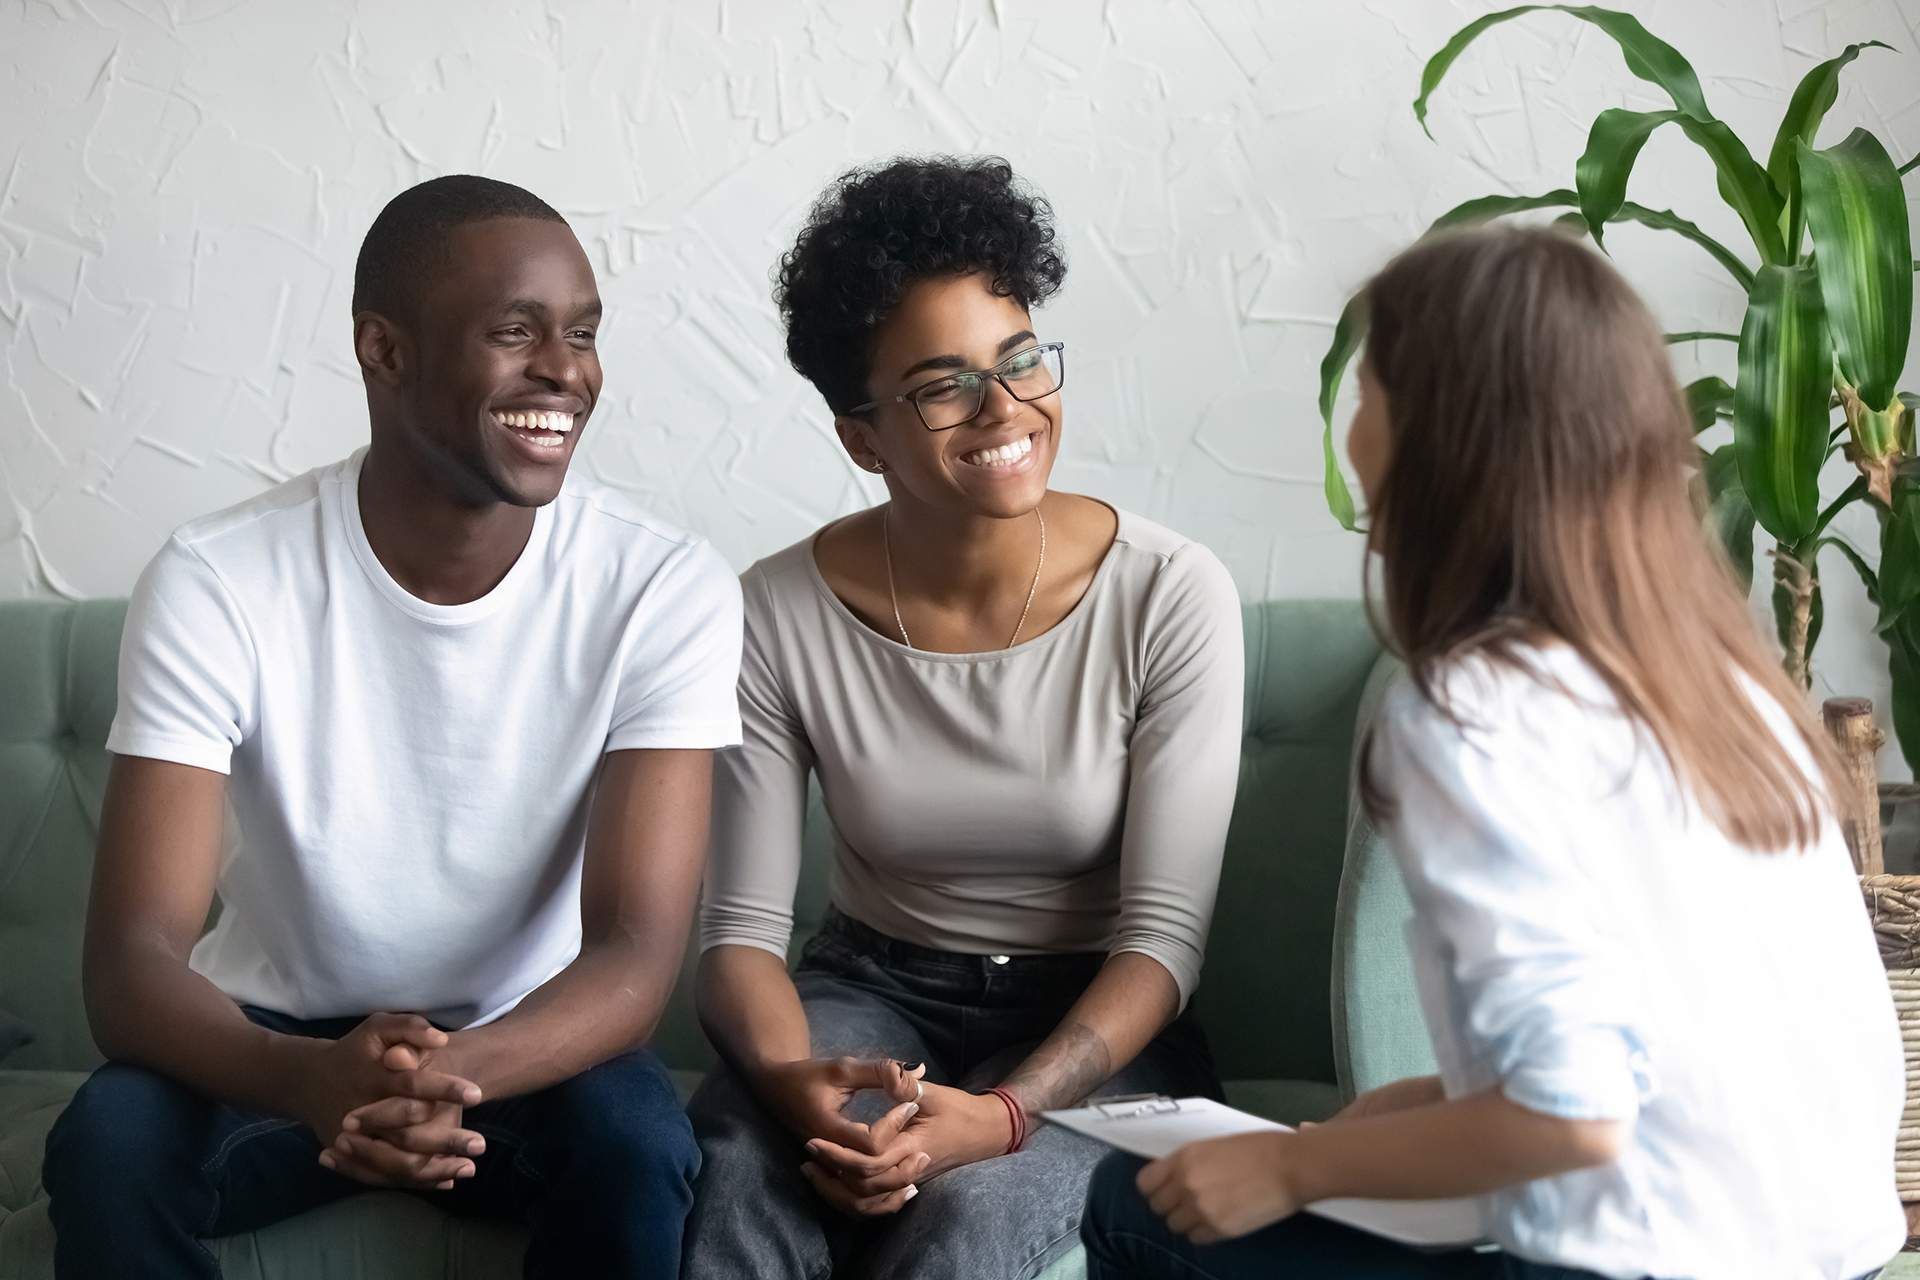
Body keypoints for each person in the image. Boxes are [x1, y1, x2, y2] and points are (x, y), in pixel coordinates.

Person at [1079, 225, 1907, 1279]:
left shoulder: (1479, 709)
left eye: (1368, 388)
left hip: (1644, 1264)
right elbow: (1665, 1055)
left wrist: (1297, 1168)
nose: (1351, 424)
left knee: (1131, 1202)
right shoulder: (1722, 681)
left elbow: (1572, 1113)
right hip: (1839, 1259)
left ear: (1441, 431)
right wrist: (1408, 1112)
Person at [41, 175, 744, 1279]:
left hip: (535, 1039)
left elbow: (633, 952)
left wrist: (437, 1075)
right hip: (269, 1035)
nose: (566, 368)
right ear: (385, 349)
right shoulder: (219, 577)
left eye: (585, 332)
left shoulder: (663, 584)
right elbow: (131, 959)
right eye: (515, 330)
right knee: (105, 1149)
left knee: (638, 1151)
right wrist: (305, 1077)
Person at [680, 155, 1244, 1280]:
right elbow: (739, 931)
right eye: (943, 385)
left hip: (1098, 1017)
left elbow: (1163, 941)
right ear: (862, 435)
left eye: (1021, 358)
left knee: (967, 1221)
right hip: (870, 985)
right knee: (742, 1164)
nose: (1005, 410)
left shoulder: (1169, 592)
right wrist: (795, 1082)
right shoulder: (775, 609)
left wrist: (1007, 1114)